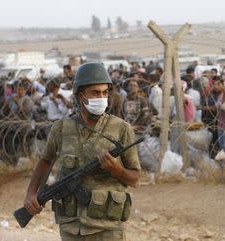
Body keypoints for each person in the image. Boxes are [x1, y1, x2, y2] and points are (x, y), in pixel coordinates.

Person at [23, 62, 140, 241]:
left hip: (106, 228)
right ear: (80, 95)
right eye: (95, 92)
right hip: (71, 227)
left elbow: (135, 179)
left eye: (105, 92)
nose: (101, 98)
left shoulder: (121, 129)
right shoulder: (61, 128)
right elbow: (46, 161)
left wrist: (116, 170)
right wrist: (32, 192)